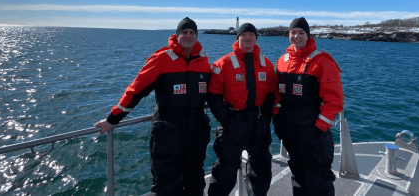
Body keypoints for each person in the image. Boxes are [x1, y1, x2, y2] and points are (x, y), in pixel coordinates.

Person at [93, 17, 211, 196]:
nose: (188, 36)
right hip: (168, 131)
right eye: (184, 32)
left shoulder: (202, 60)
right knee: (166, 185)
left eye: (192, 32)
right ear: (177, 35)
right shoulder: (161, 59)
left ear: (196, 36)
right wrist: (113, 119)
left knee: (195, 182)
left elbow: (214, 90)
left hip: (196, 131)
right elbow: (135, 90)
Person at [273, 17, 344, 196]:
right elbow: (276, 93)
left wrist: (319, 127)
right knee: (297, 171)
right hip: (289, 130)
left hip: (312, 131)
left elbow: (334, 99)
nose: (296, 36)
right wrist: (277, 118)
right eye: (293, 32)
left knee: (318, 176)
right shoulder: (282, 60)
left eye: (301, 33)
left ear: (308, 35)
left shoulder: (322, 61)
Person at [207, 23, 277, 196]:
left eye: (251, 35)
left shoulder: (266, 64)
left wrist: (265, 118)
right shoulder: (223, 63)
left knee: (261, 170)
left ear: (256, 39)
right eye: (243, 35)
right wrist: (227, 120)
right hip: (232, 123)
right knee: (225, 171)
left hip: (258, 125)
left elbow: (271, 93)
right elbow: (213, 96)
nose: (247, 38)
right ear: (237, 39)